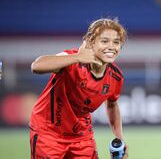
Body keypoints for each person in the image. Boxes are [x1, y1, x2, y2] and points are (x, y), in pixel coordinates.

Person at [29, 18, 129, 159]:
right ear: (91, 42)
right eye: (104, 41)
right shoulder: (72, 59)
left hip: (81, 135)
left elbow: (112, 104)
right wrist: (77, 57)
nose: (111, 46)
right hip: (48, 132)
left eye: (116, 42)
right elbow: (37, 66)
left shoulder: (116, 77)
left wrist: (120, 139)